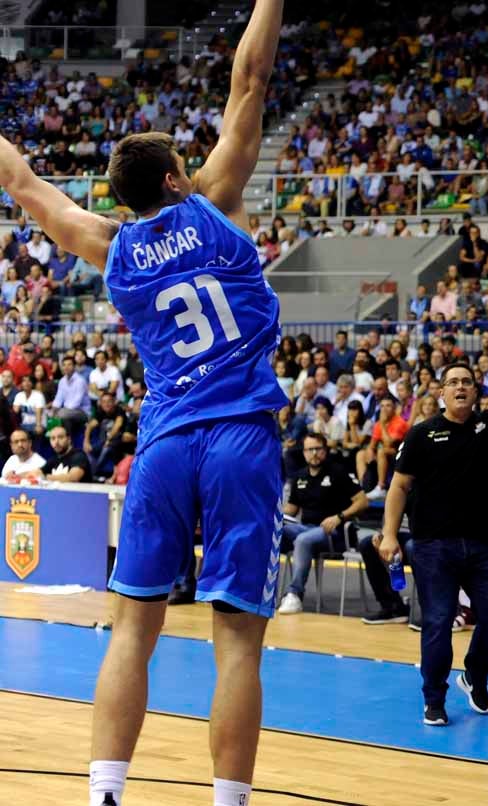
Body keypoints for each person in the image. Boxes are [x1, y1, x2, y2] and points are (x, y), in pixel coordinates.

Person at [0, 4, 289, 803]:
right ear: (174, 180)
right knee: (237, 644)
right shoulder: (215, 202)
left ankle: (104, 792)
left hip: (162, 445)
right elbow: (251, 80)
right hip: (239, 435)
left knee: (133, 628)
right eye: (182, 163)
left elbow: (21, 181)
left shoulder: (110, 246)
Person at [376, 307, 488, 727]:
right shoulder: (421, 434)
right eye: (453, 382)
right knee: (438, 622)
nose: (460, 387)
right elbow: (399, 487)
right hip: (433, 546)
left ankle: (474, 675)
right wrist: (389, 535)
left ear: (476, 392)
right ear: (441, 392)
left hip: (481, 544)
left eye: (467, 382)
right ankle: (433, 697)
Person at [277, 433, 369, 615]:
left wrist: (339, 516)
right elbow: (292, 510)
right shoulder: (300, 477)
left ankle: (294, 594)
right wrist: (274, 516)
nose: (314, 454)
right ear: (303, 453)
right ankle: (258, 589)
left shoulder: (338, 472)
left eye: (317, 449)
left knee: (303, 540)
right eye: (309, 450)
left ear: (325, 450)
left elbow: (362, 501)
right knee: (272, 533)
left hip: (335, 532)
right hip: (305, 528)